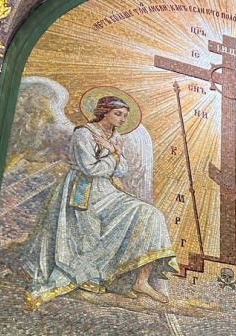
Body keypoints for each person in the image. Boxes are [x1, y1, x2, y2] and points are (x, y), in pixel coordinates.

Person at [23, 95, 177, 309]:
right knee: (89, 236)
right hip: (83, 191)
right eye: (118, 114)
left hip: (107, 190)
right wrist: (114, 155)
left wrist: (114, 154)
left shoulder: (115, 136)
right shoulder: (84, 133)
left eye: (125, 116)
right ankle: (88, 276)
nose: (122, 119)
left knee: (152, 214)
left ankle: (141, 281)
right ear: (104, 112)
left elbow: (122, 170)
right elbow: (90, 168)